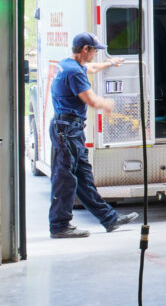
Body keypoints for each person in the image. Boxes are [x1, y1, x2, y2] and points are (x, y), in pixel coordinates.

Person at [48, 33, 139, 239]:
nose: (96, 53)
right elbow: (91, 100)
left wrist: (110, 63)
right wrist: (109, 104)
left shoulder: (69, 64)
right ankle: (59, 225)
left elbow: (92, 68)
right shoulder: (74, 72)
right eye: (94, 50)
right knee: (65, 179)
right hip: (67, 130)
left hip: (70, 129)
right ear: (85, 49)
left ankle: (109, 219)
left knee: (83, 178)